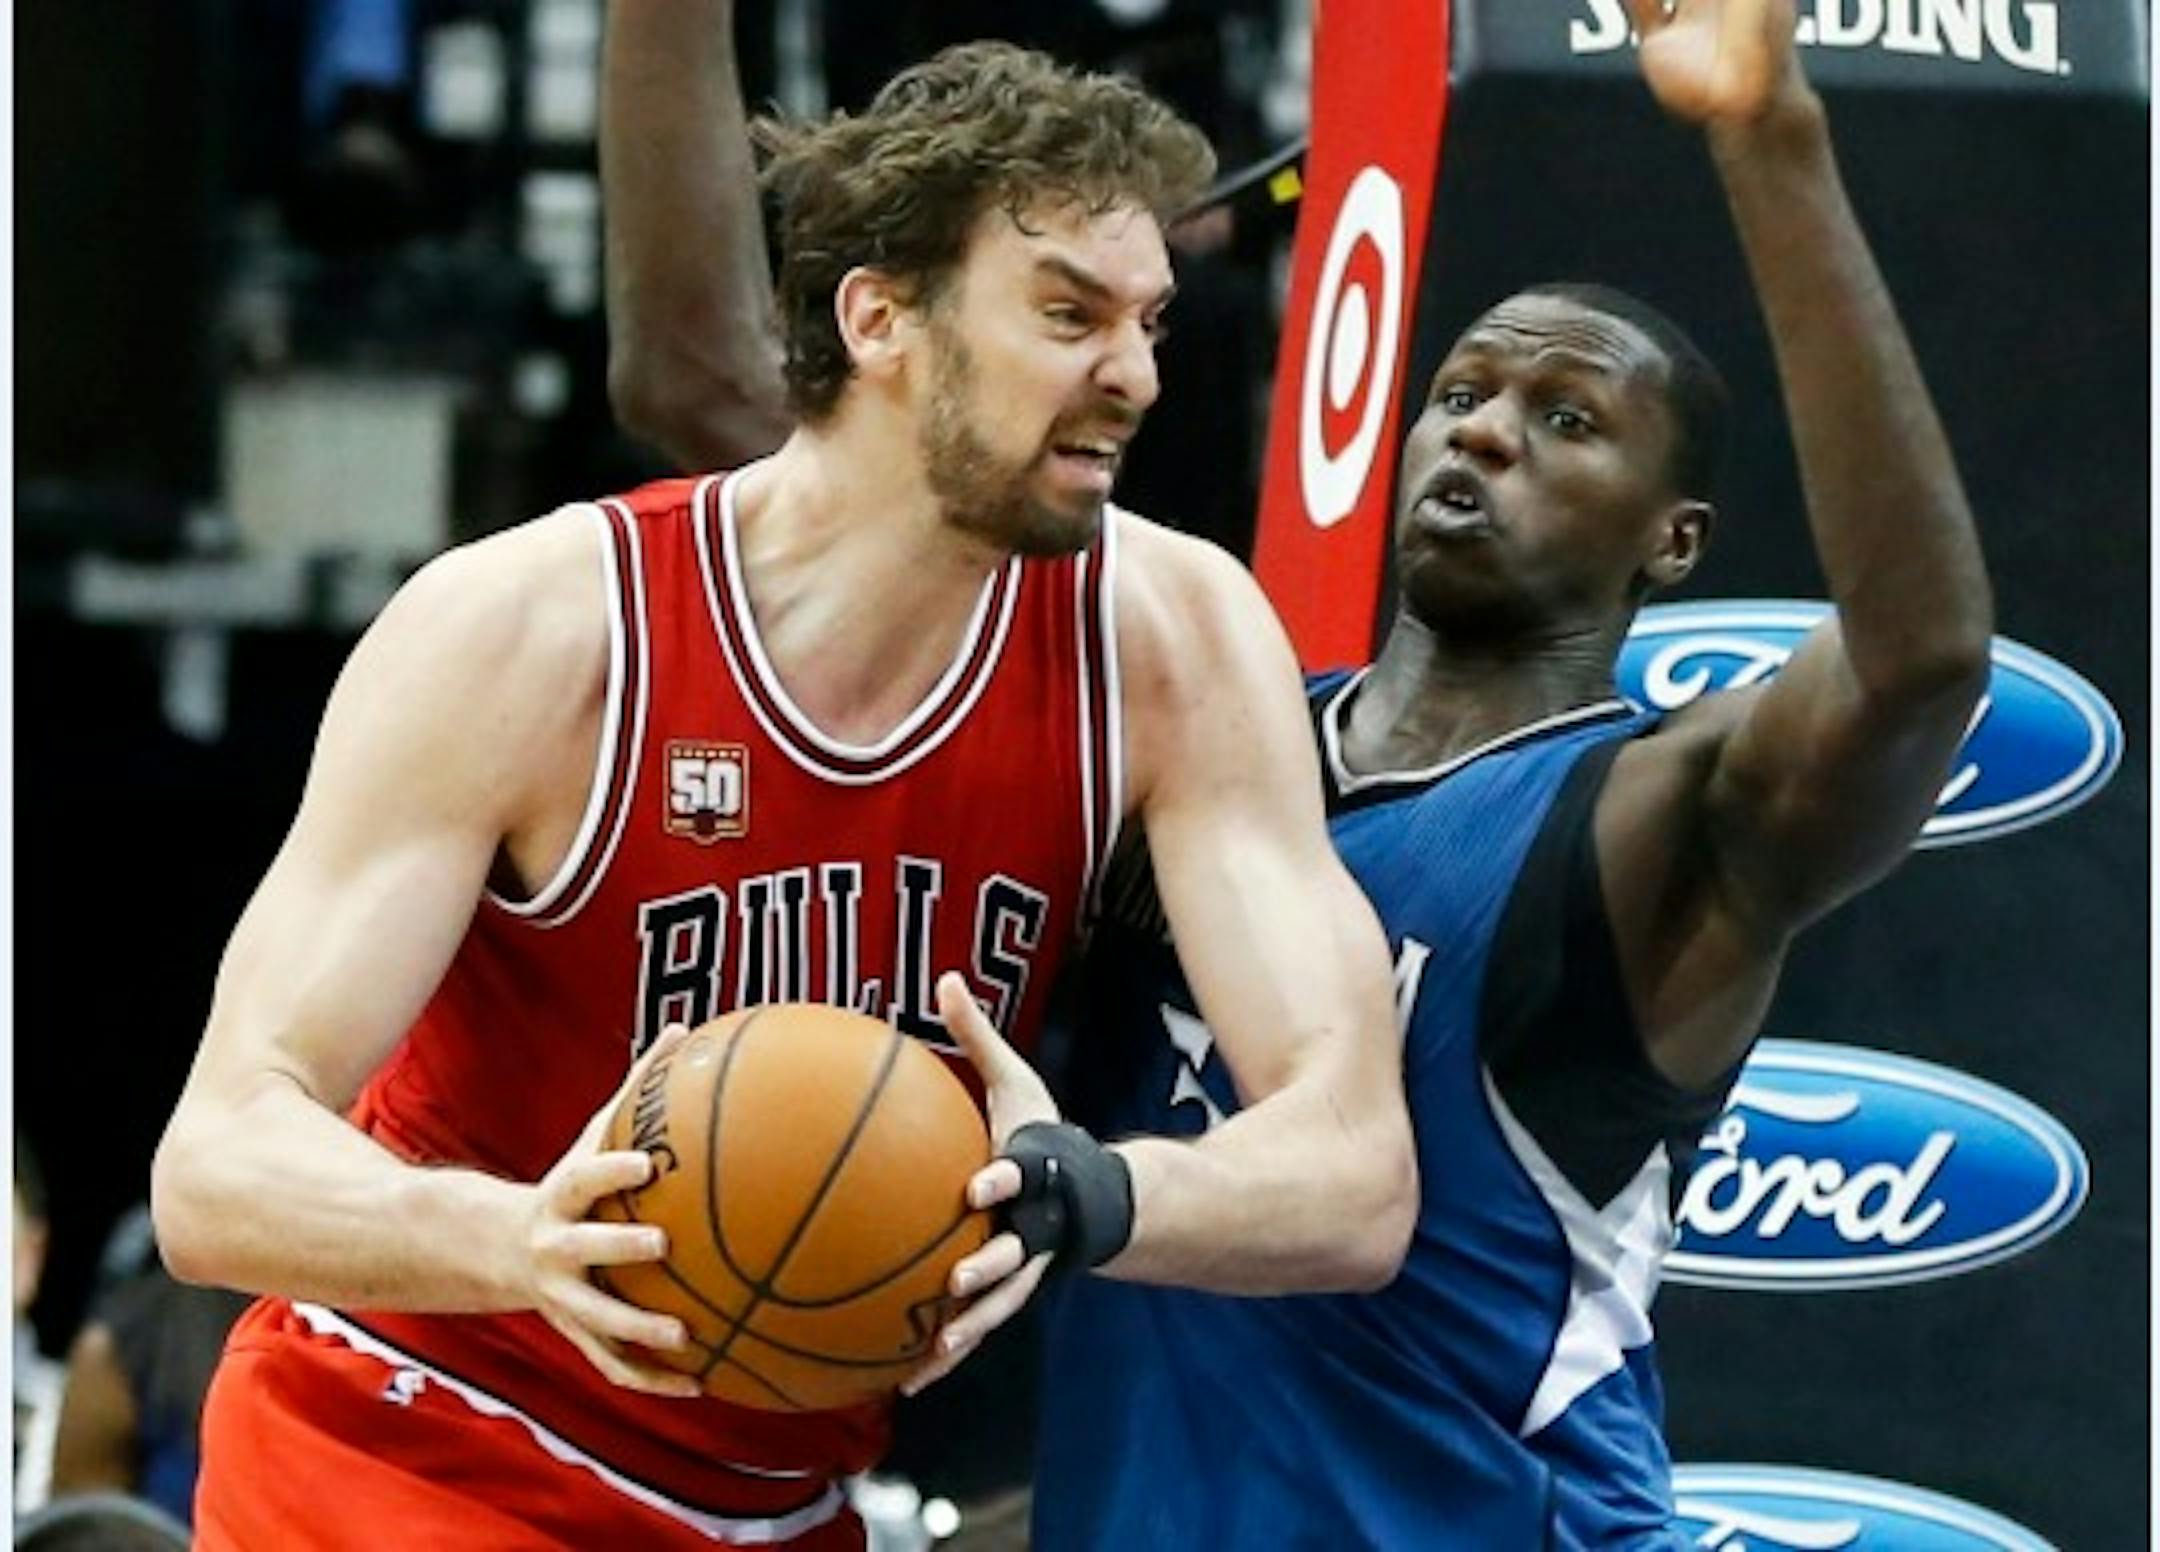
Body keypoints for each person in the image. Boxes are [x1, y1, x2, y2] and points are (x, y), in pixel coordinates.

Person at [151, 39, 1415, 1552]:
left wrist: (1100, 1193)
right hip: (414, 1439)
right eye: (1068, 315)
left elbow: (1358, 1174)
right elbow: (217, 1162)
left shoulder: (1173, 636)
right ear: (880, 319)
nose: (1136, 373)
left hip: (775, 1502)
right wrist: (518, 1239)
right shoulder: (542, 630)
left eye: (1148, 321)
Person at [1033, 0, 1993, 1545]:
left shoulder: (1652, 820)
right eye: (1463, 394)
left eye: (1567, 421)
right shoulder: (1211, 750)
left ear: (1670, 542)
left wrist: (1769, 135)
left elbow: (1922, 660)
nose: (1483, 435)